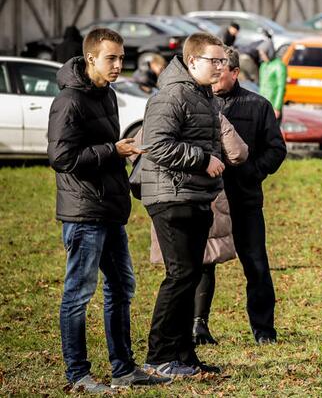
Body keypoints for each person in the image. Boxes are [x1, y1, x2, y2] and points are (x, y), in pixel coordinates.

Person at [47, 28, 170, 392]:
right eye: (111, 58)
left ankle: (123, 369)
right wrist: (112, 151)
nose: (118, 65)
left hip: (109, 209)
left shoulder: (108, 95)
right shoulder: (69, 101)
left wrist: (122, 156)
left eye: (121, 58)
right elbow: (61, 158)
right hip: (83, 212)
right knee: (78, 293)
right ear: (90, 59)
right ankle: (78, 375)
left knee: (121, 287)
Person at [140, 33, 227, 378]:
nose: (220, 67)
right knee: (179, 276)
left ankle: (184, 356)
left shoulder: (202, 94)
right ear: (192, 61)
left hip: (195, 195)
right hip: (170, 196)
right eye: (214, 61)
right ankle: (158, 356)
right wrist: (202, 159)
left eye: (223, 61)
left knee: (190, 276)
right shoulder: (173, 94)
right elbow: (156, 145)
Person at [132, 113, 249, 346]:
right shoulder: (211, 114)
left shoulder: (164, 110)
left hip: (167, 192)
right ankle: (197, 323)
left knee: (177, 268)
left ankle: (175, 330)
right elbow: (237, 153)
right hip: (206, 193)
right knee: (203, 264)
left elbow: (138, 149)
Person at [213, 46, 288, 344]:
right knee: (202, 266)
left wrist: (253, 171)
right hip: (208, 199)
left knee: (256, 264)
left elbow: (276, 149)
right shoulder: (199, 103)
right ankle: (198, 326)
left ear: (235, 73)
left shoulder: (257, 106)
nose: (215, 79)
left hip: (245, 199)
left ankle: (263, 328)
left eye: (221, 74)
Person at [258, 45, 288, 125]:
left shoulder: (279, 66)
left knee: (273, 131)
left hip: (273, 104)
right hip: (262, 104)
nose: (261, 56)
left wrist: (277, 107)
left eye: (263, 54)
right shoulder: (263, 66)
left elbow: (281, 88)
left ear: (269, 53)